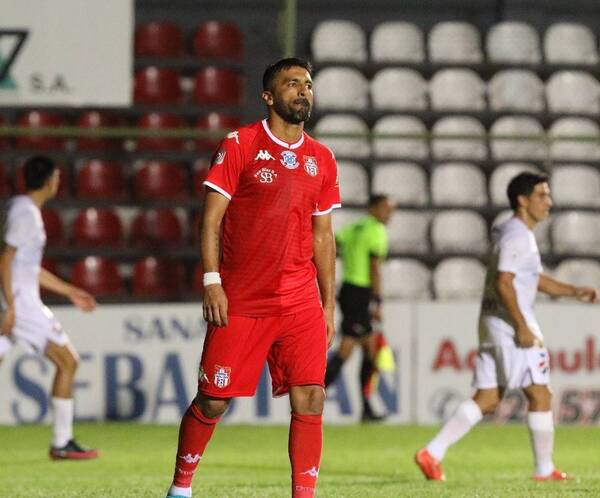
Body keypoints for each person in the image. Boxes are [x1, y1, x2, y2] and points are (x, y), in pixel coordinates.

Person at [165, 57, 340, 498]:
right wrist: (211, 281)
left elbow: (323, 236)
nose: (303, 91)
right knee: (213, 399)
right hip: (242, 298)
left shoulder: (322, 158)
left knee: (311, 398)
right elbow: (210, 221)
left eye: (307, 84)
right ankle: (181, 488)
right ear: (268, 96)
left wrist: (327, 304)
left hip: (299, 300)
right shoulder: (239, 144)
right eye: (291, 84)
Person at [415, 172, 598, 482]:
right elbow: (504, 281)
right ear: (523, 200)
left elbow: (531, 277)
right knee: (540, 393)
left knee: (488, 397)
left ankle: (432, 453)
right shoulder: (518, 236)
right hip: (510, 326)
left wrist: (573, 291)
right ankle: (543, 469)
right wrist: (522, 326)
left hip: (491, 322)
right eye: (542, 195)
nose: (549, 202)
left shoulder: (509, 230)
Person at [0, 155, 98, 460]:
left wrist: (70, 290)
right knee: (68, 360)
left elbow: (27, 267)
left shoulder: (19, 208)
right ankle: (61, 442)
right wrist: (11, 307)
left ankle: (62, 442)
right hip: (20, 302)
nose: (58, 182)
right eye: (56, 177)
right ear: (48, 181)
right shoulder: (26, 213)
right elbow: (5, 260)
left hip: (16, 297)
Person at [324, 194, 393, 421]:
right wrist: (377, 300)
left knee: (370, 349)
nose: (389, 214)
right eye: (385, 208)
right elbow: (375, 268)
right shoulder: (376, 232)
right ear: (373, 208)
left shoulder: (353, 228)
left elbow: (335, 244)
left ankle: (366, 408)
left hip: (348, 290)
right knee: (347, 348)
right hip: (361, 293)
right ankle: (313, 393)